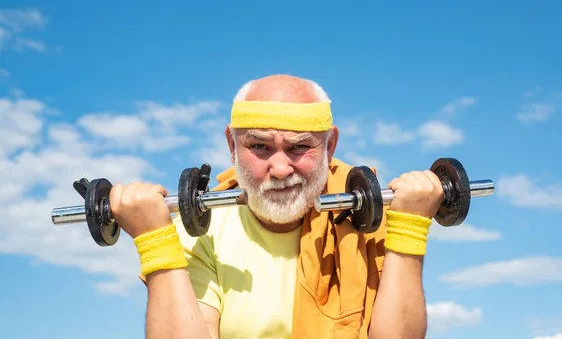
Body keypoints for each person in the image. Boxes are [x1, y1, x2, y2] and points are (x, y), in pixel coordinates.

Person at [108, 74, 444, 339]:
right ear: (232, 145)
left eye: (299, 147)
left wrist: (411, 228)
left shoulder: (375, 219)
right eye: (259, 146)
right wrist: (154, 243)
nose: (281, 168)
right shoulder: (198, 231)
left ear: (331, 146)